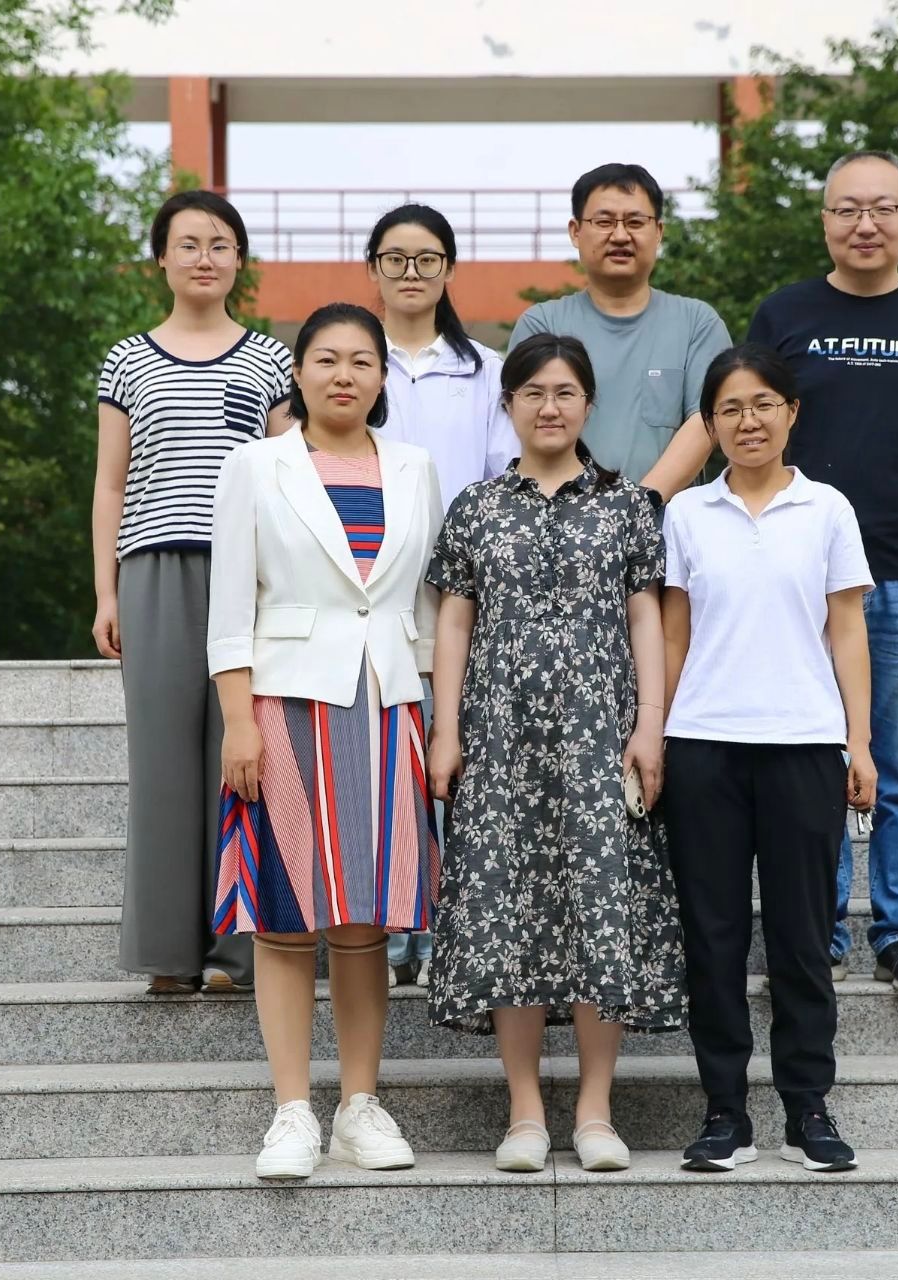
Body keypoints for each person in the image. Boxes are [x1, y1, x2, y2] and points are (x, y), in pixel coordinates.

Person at [425, 332, 684, 1175]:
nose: (549, 406)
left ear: (588, 404)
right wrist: (445, 728)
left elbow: (646, 616)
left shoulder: (627, 506)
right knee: (510, 910)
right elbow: (454, 621)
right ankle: (526, 1112)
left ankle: (596, 1111)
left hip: (601, 734)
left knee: (601, 906)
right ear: (507, 405)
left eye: (565, 391)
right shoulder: (476, 507)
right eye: (532, 392)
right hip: (500, 739)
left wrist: (650, 726)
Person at [747, 149, 898, 993]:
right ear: (825, 220)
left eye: (884, 208)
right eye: (848, 209)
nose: (866, 224)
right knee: (808, 763)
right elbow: (744, 427)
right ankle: (812, 931)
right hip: (799, 578)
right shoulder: (784, 314)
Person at [206, 302, 445, 1180]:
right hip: (284, 704)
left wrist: (439, 718)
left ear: (382, 378)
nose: (344, 374)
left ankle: (359, 1107)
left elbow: (426, 606)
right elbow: (230, 606)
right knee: (283, 915)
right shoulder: (255, 465)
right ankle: (291, 1112)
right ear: (299, 373)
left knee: (363, 918)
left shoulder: (416, 467)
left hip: (387, 703)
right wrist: (238, 719)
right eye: (327, 359)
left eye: (362, 361)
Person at [661, 343, 875, 1175]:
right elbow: (674, 635)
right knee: (712, 938)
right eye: (730, 409)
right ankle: (725, 1113)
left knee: (801, 938)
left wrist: (860, 742)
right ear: (710, 424)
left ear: (791, 412)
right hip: (704, 745)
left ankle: (807, 1109)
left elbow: (847, 630)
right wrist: (656, 734)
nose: (747, 421)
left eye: (762, 404)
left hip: (804, 745)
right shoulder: (687, 514)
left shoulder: (827, 509)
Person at [93, 190, 291, 997]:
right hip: (153, 571)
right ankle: (168, 954)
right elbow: (111, 484)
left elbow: (289, 481)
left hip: (249, 575)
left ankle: (238, 952)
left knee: (242, 759)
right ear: (161, 259)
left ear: (240, 260)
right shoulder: (127, 360)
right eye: (188, 243)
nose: (204, 257)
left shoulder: (271, 359)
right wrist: (105, 592)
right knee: (164, 761)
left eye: (220, 244)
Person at [365, 202, 515, 990]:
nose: (411, 273)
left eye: (427, 259)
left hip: (464, 598)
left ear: (449, 269)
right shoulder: (355, 361)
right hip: (369, 591)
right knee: (389, 763)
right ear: (373, 270)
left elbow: (501, 481)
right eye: (395, 259)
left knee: (458, 765)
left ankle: (455, 932)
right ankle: (394, 934)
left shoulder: (487, 372)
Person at [509, 163, 730, 499]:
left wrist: (637, 505)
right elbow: (530, 425)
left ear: (659, 231)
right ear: (575, 231)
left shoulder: (697, 323)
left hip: (664, 522)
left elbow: (706, 421)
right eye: (604, 222)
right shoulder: (542, 324)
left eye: (635, 222)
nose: (621, 235)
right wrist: (594, 517)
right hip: (560, 520)